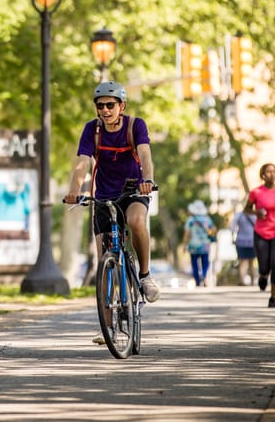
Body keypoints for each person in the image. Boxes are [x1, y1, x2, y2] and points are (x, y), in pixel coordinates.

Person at [62, 81, 160, 344]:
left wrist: (147, 179)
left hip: (133, 189)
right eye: (100, 105)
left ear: (121, 106)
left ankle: (145, 275)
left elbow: (145, 154)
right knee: (104, 260)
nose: (105, 110)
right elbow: (82, 164)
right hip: (103, 195)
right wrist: (74, 190)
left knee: (136, 220)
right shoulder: (91, 130)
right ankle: (108, 328)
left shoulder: (134, 125)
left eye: (110, 105)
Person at [243, 163, 275, 308]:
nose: (272, 174)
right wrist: (256, 213)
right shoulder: (256, 193)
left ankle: (273, 297)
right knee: (264, 265)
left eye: (274, 171)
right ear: (263, 175)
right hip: (261, 232)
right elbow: (246, 209)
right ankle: (263, 276)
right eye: (269, 171)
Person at [183, 199, 216, 287]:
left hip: (193, 244)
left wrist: (184, 245)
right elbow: (213, 230)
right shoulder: (207, 219)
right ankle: (204, 275)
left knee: (194, 264)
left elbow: (187, 233)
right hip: (205, 244)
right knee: (205, 262)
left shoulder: (190, 220)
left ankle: (197, 281)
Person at [230, 208, 257, 285]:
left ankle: (242, 280)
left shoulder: (239, 215)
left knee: (242, 261)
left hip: (241, 240)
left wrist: (233, 237)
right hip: (252, 241)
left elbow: (232, 227)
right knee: (251, 262)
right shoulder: (254, 215)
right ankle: (252, 281)